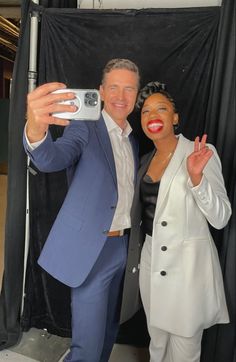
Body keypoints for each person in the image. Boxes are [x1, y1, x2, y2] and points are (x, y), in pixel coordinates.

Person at [23, 58, 140, 362]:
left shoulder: (134, 141)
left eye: (129, 88)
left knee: (109, 332)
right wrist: (36, 130)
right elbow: (52, 158)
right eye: (113, 87)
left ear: (136, 95)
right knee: (87, 346)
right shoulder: (84, 127)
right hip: (94, 249)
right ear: (100, 91)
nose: (120, 95)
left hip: (124, 248)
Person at [124, 81, 232, 362]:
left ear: (175, 117)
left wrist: (197, 180)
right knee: (157, 340)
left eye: (161, 109)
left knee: (184, 349)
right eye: (146, 111)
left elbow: (221, 218)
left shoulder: (200, 152)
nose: (152, 116)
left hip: (187, 269)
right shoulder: (145, 160)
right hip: (151, 260)